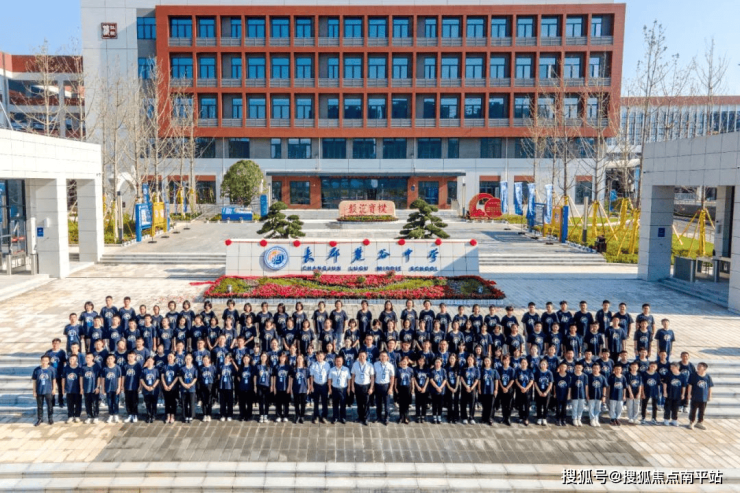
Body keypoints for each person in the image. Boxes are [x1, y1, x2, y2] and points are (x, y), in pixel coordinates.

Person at [32, 355, 57, 426]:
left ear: (49, 361)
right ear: (41, 361)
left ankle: (50, 418)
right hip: (39, 390)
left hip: (48, 390)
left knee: (50, 405)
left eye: (46, 361)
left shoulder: (51, 369)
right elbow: (34, 381)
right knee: (39, 406)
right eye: (43, 360)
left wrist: (54, 389)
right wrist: (34, 391)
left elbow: (54, 380)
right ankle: (40, 418)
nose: (44, 362)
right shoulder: (37, 369)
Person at [688, 362, 713, 430]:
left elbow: (710, 387)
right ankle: (691, 422)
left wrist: (709, 396)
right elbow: (690, 385)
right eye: (698, 366)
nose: (698, 367)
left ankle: (699, 422)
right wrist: (689, 394)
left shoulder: (707, 377)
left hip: (704, 397)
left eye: (700, 366)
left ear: (704, 368)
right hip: (695, 396)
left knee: (702, 411)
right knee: (693, 410)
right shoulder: (693, 375)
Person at [373, 351, 395, 425]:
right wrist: (373, 386)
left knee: (386, 403)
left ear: (387, 357)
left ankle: (386, 417)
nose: (383, 357)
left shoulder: (390, 365)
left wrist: (391, 388)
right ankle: (378, 417)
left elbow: (392, 377)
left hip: (386, 386)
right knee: (378, 403)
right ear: (379, 357)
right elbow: (373, 376)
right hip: (377, 385)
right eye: (381, 356)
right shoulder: (375, 364)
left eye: (384, 356)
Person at [309, 351, 331, 424]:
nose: (319, 358)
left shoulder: (327, 365)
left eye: (321, 356)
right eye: (318, 356)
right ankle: (316, 416)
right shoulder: (314, 365)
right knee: (316, 402)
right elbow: (311, 376)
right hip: (316, 385)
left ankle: (324, 416)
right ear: (316, 357)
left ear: (324, 356)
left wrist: (329, 386)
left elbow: (329, 376)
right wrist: (311, 386)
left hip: (324, 385)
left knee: (324, 402)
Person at [328, 355, 350, 424]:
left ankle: (343, 417)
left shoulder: (346, 369)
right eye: (337, 361)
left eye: (340, 361)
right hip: (334, 389)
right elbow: (329, 380)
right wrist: (330, 388)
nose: (338, 363)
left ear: (342, 361)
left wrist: (349, 388)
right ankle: (335, 417)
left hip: (343, 389)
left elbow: (349, 379)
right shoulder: (332, 369)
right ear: (335, 362)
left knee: (343, 404)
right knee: (335, 404)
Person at [45, 338, 67, 408]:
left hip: (60, 372)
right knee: (51, 387)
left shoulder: (62, 352)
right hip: (51, 373)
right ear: (52, 344)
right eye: (54, 343)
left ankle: (61, 401)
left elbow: (64, 362)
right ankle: (52, 402)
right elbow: (46, 362)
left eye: (57, 343)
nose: (56, 345)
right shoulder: (48, 352)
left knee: (60, 388)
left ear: (59, 344)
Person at [101, 354, 123, 423]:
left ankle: (116, 414)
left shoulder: (117, 368)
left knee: (116, 402)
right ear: (106, 360)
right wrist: (103, 388)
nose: (110, 360)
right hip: (108, 388)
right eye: (108, 358)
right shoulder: (105, 369)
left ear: (114, 359)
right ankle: (110, 414)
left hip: (115, 388)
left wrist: (119, 387)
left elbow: (119, 378)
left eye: (111, 358)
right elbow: (103, 379)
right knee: (109, 402)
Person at [663, 363, 686, 427]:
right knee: (667, 407)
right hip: (669, 393)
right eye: (671, 367)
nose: (671, 369)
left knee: (676, 408)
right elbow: (665, 383)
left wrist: (683, 394)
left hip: (678, 394)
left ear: (677, 368)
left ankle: (674, 419)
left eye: (673, 367)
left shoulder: (682, 376)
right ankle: (666, 419)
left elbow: (684, 386)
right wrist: (665, 392)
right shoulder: (668, 374)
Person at [62, 354, 83, 423]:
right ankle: (70, 416)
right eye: (70, 359)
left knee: (78, 403)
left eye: (73, 359)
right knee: (70, 403)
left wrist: (81, 388)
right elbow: (63, 379)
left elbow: (81, 379)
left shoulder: (79, 368)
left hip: (77, 389)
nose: (72, 360)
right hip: (69, 389)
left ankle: (77, 416)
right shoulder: (66, 368)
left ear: (76, 360)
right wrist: (63, 388)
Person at [122, 352, 142, 423]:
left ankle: (135, 414)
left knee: (134, 401)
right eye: (129, 356)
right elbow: (123, 376)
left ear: (135, 357)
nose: (130, 358)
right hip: (127, 386)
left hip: (135, 386)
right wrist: (122, 386)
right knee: (128, 401)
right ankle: (129, 414)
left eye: (132, 356)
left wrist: (140, 386)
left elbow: (140, 377)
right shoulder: (125, 365)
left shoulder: (138, 365)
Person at [460, 355, 480, 425]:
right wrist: (466, 386)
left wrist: (472, 387)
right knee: (463, 403)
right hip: (464, 387)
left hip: (472, 388)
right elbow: (461, 378)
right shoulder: (464, 368)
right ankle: (464, 417)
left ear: (474, 360)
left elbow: (477, 379)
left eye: (471, 359)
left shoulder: (476, 369)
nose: (469, 361)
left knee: (472, 403)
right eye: (468, 359)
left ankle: (471, 417)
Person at [179, 354, 198, 423]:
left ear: (192, 359)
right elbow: (180, 377)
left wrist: (191, 384)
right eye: (186, 359)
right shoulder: (182, 368)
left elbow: (195, 377)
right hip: (184, 387)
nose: (188, 360)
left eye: (189, 359)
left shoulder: (194, 368)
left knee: (191, 402)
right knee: (184, 402)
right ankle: (185, 416)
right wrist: (183, 384)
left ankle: (191, 416)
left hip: (191, 388)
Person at [81, 353, 100, 424]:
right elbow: (81, 378)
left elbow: (99, 377)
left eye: (89, 357)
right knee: (87, 403)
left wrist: (98, 387)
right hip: (86, 388)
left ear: (92, 358)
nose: (87, 359)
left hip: (94, 388)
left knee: (95, 403)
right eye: (86, 357)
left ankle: (96, 416)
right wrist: (81, 388)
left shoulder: (96, 366)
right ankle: (89, 416)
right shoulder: (83, 367)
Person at [496, 355, 515, 426]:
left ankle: (508, 417)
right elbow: (499, 379)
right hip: (502, 389)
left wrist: (507, 388)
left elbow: (512, 380)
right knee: (503, 404)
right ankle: (504, 417)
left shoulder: (512, 370)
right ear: (502, 361)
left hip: (509, 389)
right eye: (504, 360)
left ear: (509, 361)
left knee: (509, 404)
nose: (506, 361)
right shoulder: (500, 369)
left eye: (507, 360)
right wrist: (502, 387)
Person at [140, 356, 160, 423]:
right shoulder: (144, 370)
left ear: (153, 361)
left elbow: (158, 379)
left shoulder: (156, 369)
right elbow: (141, 379)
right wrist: (146, 387)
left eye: (151, 361)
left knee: (154, 403)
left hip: (154, 389)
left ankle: (153, 415)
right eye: (148, 361)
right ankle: (148, 415)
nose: (150, 362)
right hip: (146, 389)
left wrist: (153, 386)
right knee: (148, 403)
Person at [533, 359, 553, 426]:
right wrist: (539, 391)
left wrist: (546, 392)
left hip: (546, 391)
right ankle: (539, 418)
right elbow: (535, 383)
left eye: (544, 364)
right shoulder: (537, 372)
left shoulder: (549, 373)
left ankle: (544, 418)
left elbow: (550, 383)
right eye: (541, 364)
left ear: (547, 365)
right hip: (538, 391)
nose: (543, 365)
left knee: (545, 406)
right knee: (539, 405)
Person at [290, 355, 309, 423]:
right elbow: (291, 379)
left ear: (303, 359)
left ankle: (302, 416)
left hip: (303, 388)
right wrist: (290, 388)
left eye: (301, 358)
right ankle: (297, 416)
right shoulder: (294, 369)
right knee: (296, 403)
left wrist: (308, 388)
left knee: (303, 404)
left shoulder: (306, 369)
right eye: (298, 358)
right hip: (296, 388)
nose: (299, 360)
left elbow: (308, 379)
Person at [479, 356, 497, 426]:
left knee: (491, 405)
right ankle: (484, 418)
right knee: (484, 405)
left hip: (491, 390)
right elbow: (479, 380)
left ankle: (490, 418)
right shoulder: (481, 370)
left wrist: (496, 389)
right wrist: (479, 389)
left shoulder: (494, 371)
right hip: (484, 390)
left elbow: (496, 380)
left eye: (488, 361)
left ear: (491, 362)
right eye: (485, 361)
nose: (487, 362)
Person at [514, 358, 533, 426]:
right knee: (520, 404)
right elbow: (516, 380)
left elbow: (531, 381)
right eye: (522, 362)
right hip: (520, 389)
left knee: (527, 404)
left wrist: (526, 388)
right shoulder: (518, 370)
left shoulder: (529, 371)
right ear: (520, 363)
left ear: (527, 364)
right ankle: (521, 416)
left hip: (527, 390)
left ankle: (526, 418)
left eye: (525, 362)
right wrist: (521, 387)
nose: (523, 364)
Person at [273, 353, 291, 422]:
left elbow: (290, 378)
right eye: (281, 357)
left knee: (286, 403)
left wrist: (289, 387)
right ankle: (278, 415)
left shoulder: (288, 367)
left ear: (285, 358)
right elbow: (274, 377)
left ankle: (285, 415)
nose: (282, 358)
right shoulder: (276, 367)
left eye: (283, 357)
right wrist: (274, 387)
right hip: (278, 386)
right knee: (278, 402)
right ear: (279, 358)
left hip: (285, 387)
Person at [395, 357, 414, 424]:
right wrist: (395, 387)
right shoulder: (398, 369)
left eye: (405, 361)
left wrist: (413, 388)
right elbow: (396, 379)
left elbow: (412, 379)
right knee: (401, 403)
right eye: (403, 361)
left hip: (407, 387)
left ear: (408, 362)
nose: (404, 362)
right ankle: (401, 417)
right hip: (400, 387)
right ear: (401, 362)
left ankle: (406, 417)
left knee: (406, 404)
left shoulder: (410, 370)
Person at [429, 357, 447, 424]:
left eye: (439, 362)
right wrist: (437, 387)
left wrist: (440, 388)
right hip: (434, 390)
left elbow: (445, 380)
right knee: (434, 404)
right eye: (436, 362)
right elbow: (431, 380)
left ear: (441, 363)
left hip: (441, 390)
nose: (437, 364)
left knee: (440, 404)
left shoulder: (443, 370)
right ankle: (434, 417)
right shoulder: (432, 370)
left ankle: (439, 416)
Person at [237, 355, 255, 422]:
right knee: (242, 403)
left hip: (249, 387)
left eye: (247, 359)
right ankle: (242, 415)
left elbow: (254, 376)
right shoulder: (241, 367)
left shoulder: (252, 367)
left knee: (249, 403)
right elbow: (238, 376)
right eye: (244, 359)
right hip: (242, 387)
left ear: (249, 359)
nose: (245, 360)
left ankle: (249, 415)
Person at [256, 353, 273, 423]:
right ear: (260, 357)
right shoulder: (258, 366)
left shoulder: (269, 367)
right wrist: (255, 386)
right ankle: (261, 415)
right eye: (262, 356)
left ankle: (266, 415)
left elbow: (271, 377)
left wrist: (271, 385)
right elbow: (255, 376)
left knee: (266, 401)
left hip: (267, 385)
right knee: (260, 401)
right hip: (259, 385)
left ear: (267, 358)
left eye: (265, 356)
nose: (263, 357)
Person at [570, 362, 588, 427]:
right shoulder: (572, 376)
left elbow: (586, 386)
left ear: (582, 368)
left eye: (579, 367)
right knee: (574, 407)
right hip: (574, 394)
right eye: (577, 367)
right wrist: (569, 394)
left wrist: (586, 395)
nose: (578, 369)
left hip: (582, 394)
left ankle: (579, 418)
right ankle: (574, 418)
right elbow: (570, 386)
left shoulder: (585, 376)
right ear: (575, 367)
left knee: (581, 407)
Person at [413, 356, 430, 423]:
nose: (421, 362)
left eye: (423, 361)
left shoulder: (427, 369)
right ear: (418, 361)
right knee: (417, 403)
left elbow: (428, 378)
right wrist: (417, 387)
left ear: (424, 362)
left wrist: (424, 387)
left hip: (425, 388)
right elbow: (414, 378)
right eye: (420, 360)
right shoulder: (415, 369)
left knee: (424, 403)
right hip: (418, 387)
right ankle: (417, 415)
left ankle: (423, 415)